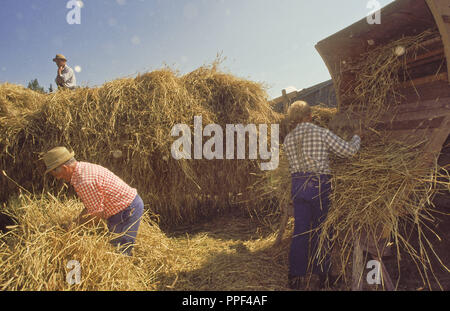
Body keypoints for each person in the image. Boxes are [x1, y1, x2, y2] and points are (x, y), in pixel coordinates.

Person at [283, 101, 361, 289]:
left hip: (298, 185)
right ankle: (323, 276)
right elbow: (348, 151)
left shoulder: (288, 140)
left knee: (300, 231)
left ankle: (295, 277)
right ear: (309, 116)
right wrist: (357, 138)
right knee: (322, 231)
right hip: (318, 186)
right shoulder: (320, 133)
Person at [41, 146, 143, 255]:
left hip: (127, 210)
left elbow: (95, 215)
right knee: (115, 244)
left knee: (119, 252)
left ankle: (126, 265)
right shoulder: (83, 168)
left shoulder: (84, 181)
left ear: (65, 168)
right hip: (121, 208)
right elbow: (91, 207)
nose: (58, 178)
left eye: (56, 174)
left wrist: (75, 231)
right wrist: (76, 222)